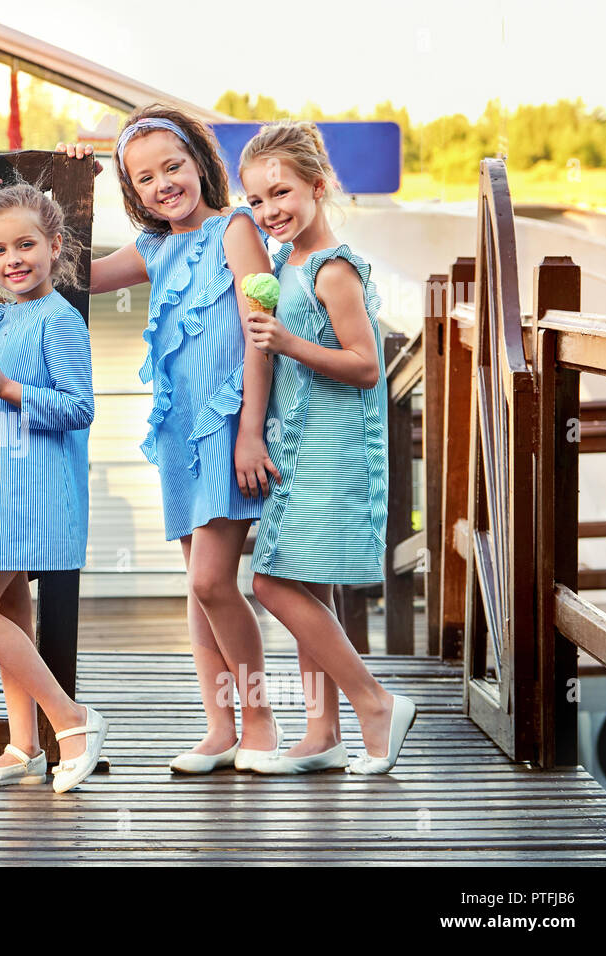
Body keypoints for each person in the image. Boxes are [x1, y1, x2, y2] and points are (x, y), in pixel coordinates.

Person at [58, 107, 283, 774]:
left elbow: (258, 332)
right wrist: (72, 187)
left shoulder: (235, 228)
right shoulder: (155, 248)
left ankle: (261, 718)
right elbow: (78, 274)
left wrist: (249, 432)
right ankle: (219, 728)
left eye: (173, 167)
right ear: (133, 190)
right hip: (178, 430)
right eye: (145, 177)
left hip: (229, 428)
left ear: (199, 165)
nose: (163, 184)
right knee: (198, 585)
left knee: (214, 580)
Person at [238, 121, 416, 774]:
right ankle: (321, 734)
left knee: (270, 581)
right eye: (255, 201)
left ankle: (374, 703)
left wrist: (285, 343)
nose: (268, 211)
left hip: (332, 450)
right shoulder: (285, 262)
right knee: (306, 583)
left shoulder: (333, 269)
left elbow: (367, 365)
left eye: (280, 193)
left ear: (319, 185)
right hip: (299, 442)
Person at [0, 182, 107, 794]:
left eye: (26, 245)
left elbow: (79, 408)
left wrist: (11, 389)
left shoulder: (59, 318)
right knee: (10, 609)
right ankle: (23, 746)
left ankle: (73, 720)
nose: (13, 259)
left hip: (29, 488)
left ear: (54, 245)